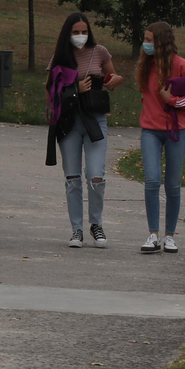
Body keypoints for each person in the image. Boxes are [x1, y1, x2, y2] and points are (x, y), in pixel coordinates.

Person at [45, 12, 123, 248]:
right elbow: (50, 91)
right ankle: (76, 229)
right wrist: (74, 89)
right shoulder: (60, 57)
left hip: (94, 119)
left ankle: (96, 224)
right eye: (75, 32)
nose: (80, 36)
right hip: (69, 122)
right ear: (67, 34)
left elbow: (112, 74)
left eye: (84, 31)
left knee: (96, 175)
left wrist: (115, 79)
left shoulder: (100, 51)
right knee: (72, 177)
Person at [137, 21, 185, 254]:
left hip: (176, 132)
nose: (145, 44)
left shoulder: (181, 65)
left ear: (161, 43)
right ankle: (152, 234)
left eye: (149, 40)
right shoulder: (146, 65)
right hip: (150, 131)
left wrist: (171, 100)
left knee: (173, 185)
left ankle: (169, 236)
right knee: (152, 180)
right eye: (145, 39)